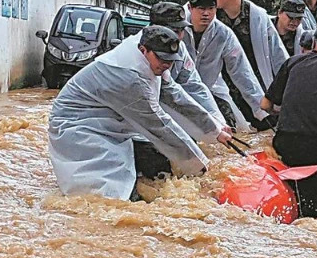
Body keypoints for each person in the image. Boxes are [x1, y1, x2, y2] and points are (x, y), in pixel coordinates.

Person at [47, 25, 219, 198]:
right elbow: (158, 125)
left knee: (160, 166)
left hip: (113, 124)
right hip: (80, 128)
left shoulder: (149, 62)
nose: (167, 64)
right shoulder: (128, 77)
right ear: (143, 50)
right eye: (161, 58)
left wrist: (215, 130)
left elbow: (175, 97)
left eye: (171, 59)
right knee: (112, 197)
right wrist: (200, 166)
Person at [262, 25, 317, 166]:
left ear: (313, 43)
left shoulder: (293, 61)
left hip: (285, 145)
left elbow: (264, 105)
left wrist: (281, 112)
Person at [183, 0, 266, 129]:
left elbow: (242, 71)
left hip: (210, 91)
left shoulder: (223, 34)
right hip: (176, 92)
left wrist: (261, 110)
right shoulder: (177, 29)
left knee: (232, 128)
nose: (206, 13)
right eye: (201, 8)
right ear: (190, 7)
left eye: (211, 8)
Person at [147, 0, 231, 135]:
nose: (179, 37)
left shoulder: (179, 48)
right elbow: (172, 93)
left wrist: (217, 120)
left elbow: (194, 86)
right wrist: (210, 123)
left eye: (181, 31)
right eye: (174, 31)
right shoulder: (141, 52)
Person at [212, 0, 287, 109]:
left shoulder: (258, 16)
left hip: (255, 82)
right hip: (222, 84)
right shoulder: (212, 16)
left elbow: (278, 54)